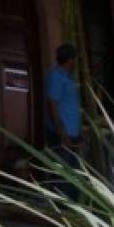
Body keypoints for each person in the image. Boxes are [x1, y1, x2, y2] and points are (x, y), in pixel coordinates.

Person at [45, 43, 81, 196]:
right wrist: (62, 134)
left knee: (74, 176)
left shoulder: (68, 78)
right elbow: (52, 105)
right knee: (62, 176)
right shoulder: (56, 76)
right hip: (62, 135)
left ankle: (72, 212)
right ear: (70, 60)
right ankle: (61, 213)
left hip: (72, 135)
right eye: (75, 59)